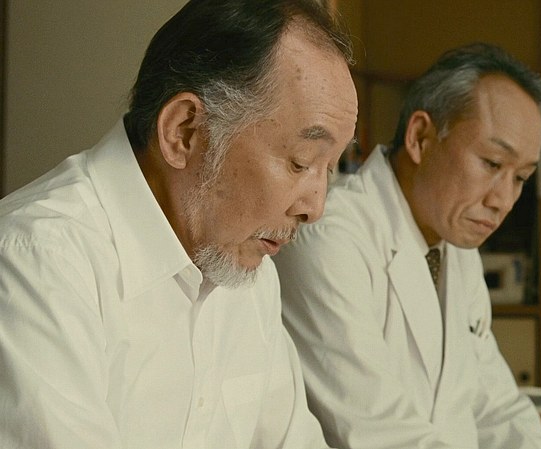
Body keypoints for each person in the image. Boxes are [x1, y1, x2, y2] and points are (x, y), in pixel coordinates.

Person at [0, 1, 358, 448]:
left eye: (329, 168)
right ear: (184, 131)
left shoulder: (246, 269)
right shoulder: (37, 262)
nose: (315, 207)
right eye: (301, 162)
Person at [275, 43, 541, 449]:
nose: (503, 199)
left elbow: (495, 410)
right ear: (420, 137)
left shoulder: (455, 247)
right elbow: (379, 433)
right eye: (491, 163)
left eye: (520, 177)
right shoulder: (330, 236)